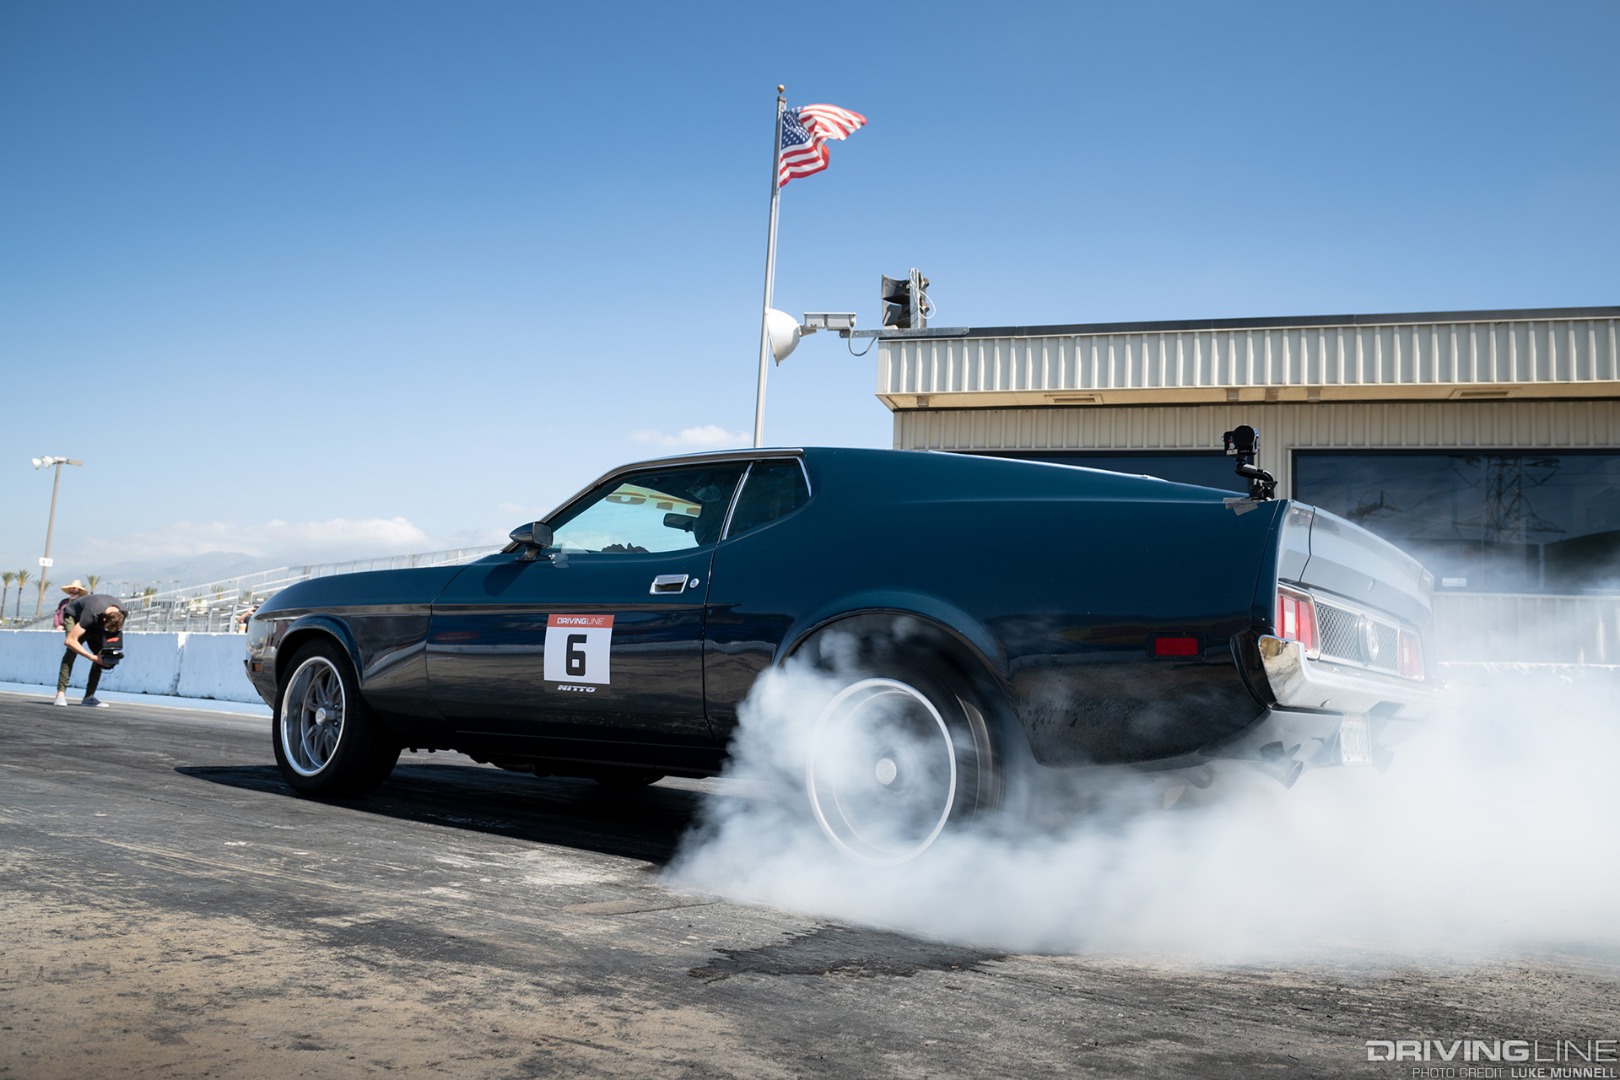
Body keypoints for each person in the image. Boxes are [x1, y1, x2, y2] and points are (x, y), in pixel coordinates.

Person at [54, 591, 126, 708]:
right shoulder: (91, 614)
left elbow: (113, 634)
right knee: (71, 651)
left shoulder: (123, 612)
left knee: (101, 655)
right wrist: (92, 657)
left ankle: (89, 697)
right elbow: (69, 641)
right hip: (75, 616)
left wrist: (110, 655)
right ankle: (60, 694)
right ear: (103, 621)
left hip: (97, 621)